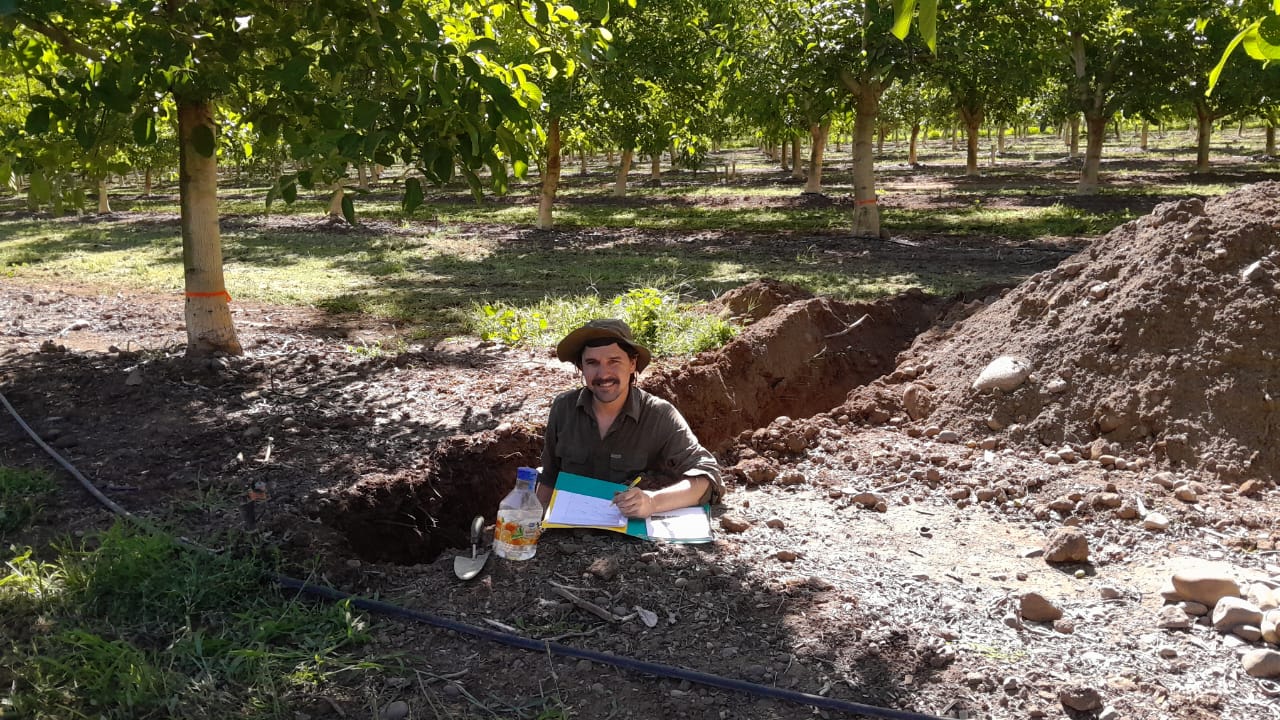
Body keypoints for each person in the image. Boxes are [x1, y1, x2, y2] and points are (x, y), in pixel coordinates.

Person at [538, 319, 723, 518]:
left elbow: (709, 476)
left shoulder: (658, 415)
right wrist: (531, 522)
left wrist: (652, 502)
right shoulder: (563, 409)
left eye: (614, 361)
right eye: (592, 363)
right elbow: (549, 477)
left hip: (635, 540)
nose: (603, 374)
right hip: (571, 531)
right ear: (581, 367)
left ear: (632, 364)